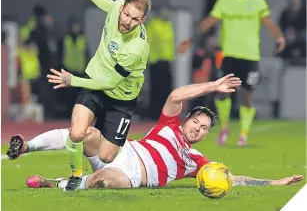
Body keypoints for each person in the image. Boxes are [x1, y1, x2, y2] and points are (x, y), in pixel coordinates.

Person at [6, 75, 303, 189]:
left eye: (203, 130)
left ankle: (53, 184)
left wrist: (275, 182)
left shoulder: (196, 161)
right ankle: (26, 147)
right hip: (123, 151)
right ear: (185, 120)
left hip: (133, 176)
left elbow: (230, 178)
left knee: (104, 182)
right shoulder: (168, 124)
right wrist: (212, 86)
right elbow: (176, 95)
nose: (197, 130)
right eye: (195, 123)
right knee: (86, 134)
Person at [46, 0, 151, 191]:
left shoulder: (137, 47)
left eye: (135, 19)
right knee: (76, 134)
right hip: (94, 82)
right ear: (122, 9)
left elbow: (111, 83)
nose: (128, 22)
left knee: (106, 156)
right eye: (126, 15)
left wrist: (72, 81)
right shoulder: (117, 7)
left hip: (121, 98)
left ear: (142, 20)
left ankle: (128, 151)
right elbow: (108, 4)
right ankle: (76, 174)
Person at [178, 0, 286, 146]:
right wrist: (191, 40)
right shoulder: (225, 1)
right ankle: (224, 128)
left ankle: (243, 133)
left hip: (250, 56)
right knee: (223, 92)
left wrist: (279, 37)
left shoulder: (257, 1)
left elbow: (268, 21)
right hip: (228, 55)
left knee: (247, 95)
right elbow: (209, 21)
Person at [146, 5, 175, 120]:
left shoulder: (168, 25)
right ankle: (155, 113)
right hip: (156, 61)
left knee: (167, 89)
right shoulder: (152, 25)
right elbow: (148, 42)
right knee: (157, 89)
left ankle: (166, 113)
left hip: (167, 60)